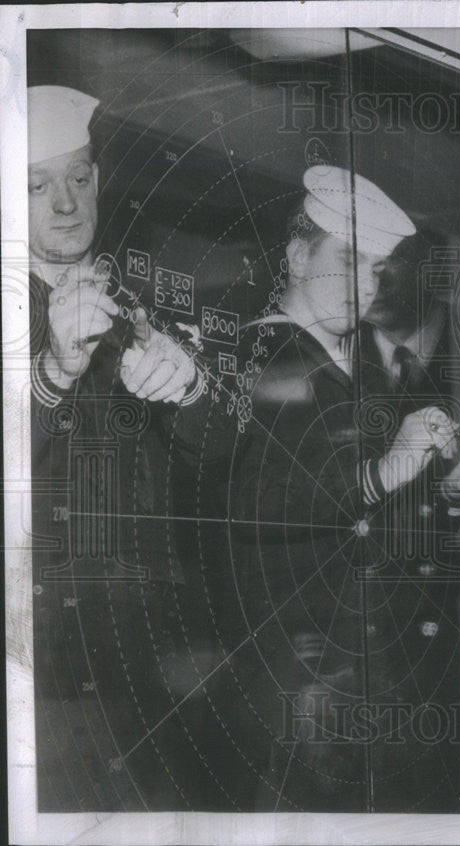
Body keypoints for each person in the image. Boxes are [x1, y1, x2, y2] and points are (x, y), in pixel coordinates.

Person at [171, 165, 460, 811]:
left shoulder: (370, 380)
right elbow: (247, 506)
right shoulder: (253, 360)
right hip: (296, 688)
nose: (364, 286)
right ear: (298, 256)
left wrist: (449, 491)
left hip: (380, 675)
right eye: (349, 261)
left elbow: (385, 520)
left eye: (378, 270)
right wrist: (384, 471)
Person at [27, 85, 225, 810]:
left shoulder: (138, 303)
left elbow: (223, 459)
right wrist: (52, 373)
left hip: (151, 648)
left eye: (79, 178)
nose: (65, 204)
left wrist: (191, 391)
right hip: (41, 648)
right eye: (36, 186)